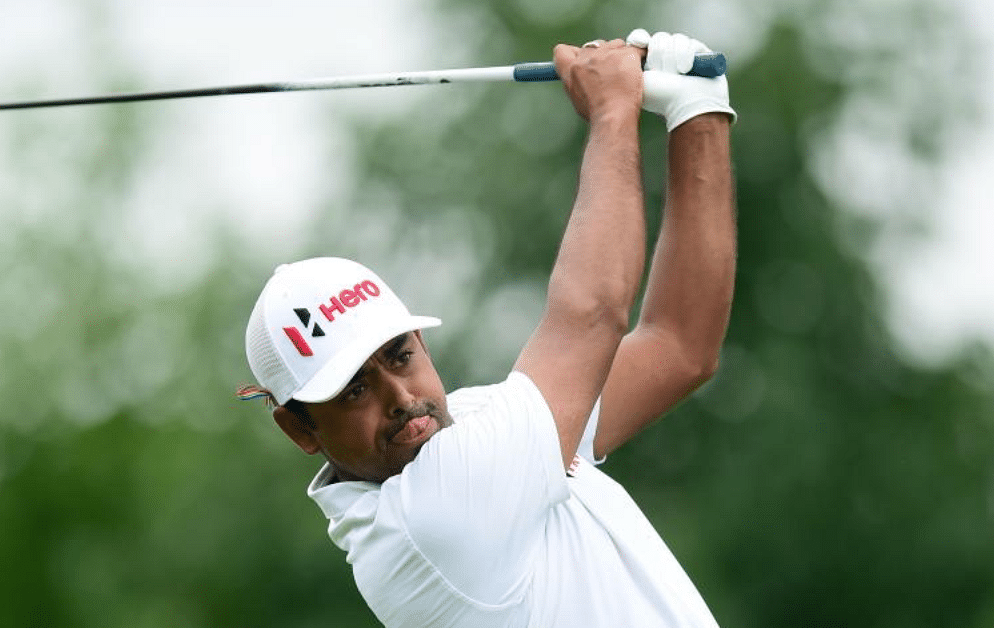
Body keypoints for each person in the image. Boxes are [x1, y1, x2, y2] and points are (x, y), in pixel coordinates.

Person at [239, 28, 736, 627]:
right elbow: (594, 313)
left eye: (398, 357)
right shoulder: (426, 523)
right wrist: (611, 110)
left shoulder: (481, 425)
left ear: (420, 342)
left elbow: (679, 346)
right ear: (299, 429)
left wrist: (697, 114)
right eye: (353, 390)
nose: (399, 397)